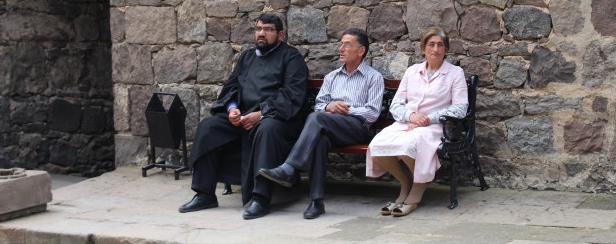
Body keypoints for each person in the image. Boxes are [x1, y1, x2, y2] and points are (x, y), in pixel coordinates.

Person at [178, 13, 309, 220]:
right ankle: (204, 194)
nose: (261, 33)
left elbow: (291, 94)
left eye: (268, 29)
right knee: (208, 127)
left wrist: (261, 114)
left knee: (267, 129)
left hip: (276, 118)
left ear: (280, 35)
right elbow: (232, 87)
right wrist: (232, 109)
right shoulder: (247, 57)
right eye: (258, 29)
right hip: (243, 116)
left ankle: (261, 198)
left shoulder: (292, 58)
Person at [257, 28, 384, 219]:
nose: (341, 48)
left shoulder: (373, 77)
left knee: (317, 119)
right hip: (328, 126)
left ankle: (289, 168)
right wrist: (329, 106)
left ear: (361, 51)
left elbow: (373, 113)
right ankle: (316, 202)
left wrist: (346, 110)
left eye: (347, 45)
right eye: (341, 44)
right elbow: (319, 106)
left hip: (355, 128)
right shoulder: (331, 77)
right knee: (320, 139)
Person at [365, 27, 468, 217]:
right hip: (407, 123)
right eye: (431, 44)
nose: (435, 49)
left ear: (446, 49)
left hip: (436, 126)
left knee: (411, 142)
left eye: (440, 45)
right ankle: (405, 182)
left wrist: (427, 119)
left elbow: (460, 108)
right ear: (423, 49)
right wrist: (411, 116)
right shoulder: (412, 71)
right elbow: (396, 104)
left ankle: (417, 190)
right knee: (377, 144)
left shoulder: (455, 73)